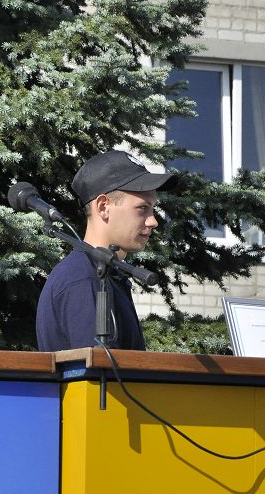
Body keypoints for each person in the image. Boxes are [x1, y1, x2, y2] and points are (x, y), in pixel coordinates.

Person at [36, 150, 175, 352]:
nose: (153, 221)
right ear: (103, 207)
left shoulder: (103, 275)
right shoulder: (82, 279)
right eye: (142, 208)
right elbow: (97, 368)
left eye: (152, 209)